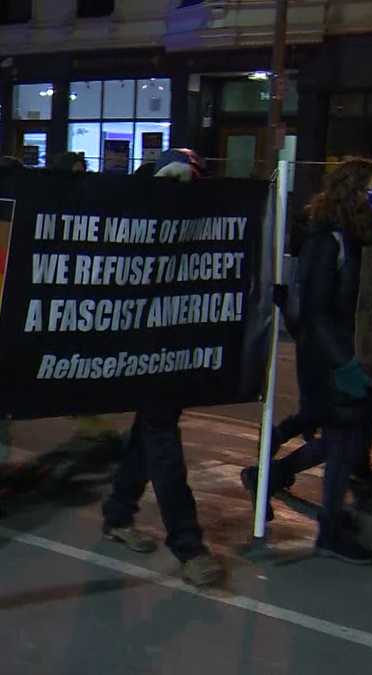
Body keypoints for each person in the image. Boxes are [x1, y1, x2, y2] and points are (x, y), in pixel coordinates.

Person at [244, 165, 372, 558]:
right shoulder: (327, 242)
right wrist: (345, 364)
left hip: (353, 356)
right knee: (342, 437)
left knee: (342, 436)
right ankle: (328, 529)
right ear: (355, 192)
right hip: (329, 362)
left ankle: (276, 474)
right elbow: (316, 314)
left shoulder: (363, 234)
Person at [99, 151, 223, 587]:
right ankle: (188, 545)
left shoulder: (191, 229)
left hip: (171, 351)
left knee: (148, 436)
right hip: (148, 354)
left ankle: (117, 513)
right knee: (163, 443)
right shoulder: (136, 221)